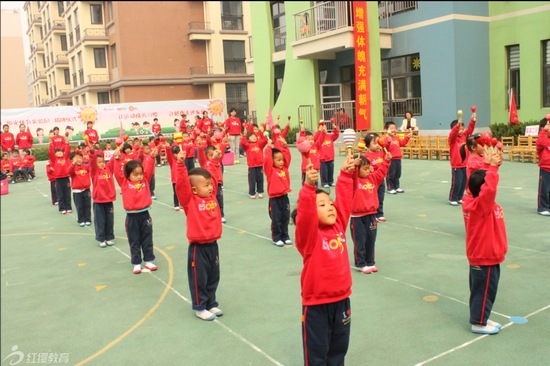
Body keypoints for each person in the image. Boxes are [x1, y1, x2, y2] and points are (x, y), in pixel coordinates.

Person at [292, 155, 356, 365]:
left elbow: (345, 202)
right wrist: (309, 189)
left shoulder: (338, 226)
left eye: (330, 203)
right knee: (317, 355)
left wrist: (346, 174)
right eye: (322, 205)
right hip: (317, 306)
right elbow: (305, 217)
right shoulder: (309, 238)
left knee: (338, 351)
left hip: (341, 301)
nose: (330, 207)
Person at [175, 150, 224, 321]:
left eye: (210, 184)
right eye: (206, 185)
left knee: (213, 276)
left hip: (213, 245)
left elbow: (216, 178)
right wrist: (181, 165)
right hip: (198, 248)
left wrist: (216, 161)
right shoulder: (191, 201)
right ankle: (200, 306)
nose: (211, 187)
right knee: (199, 278)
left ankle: (211, 302)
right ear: (194, 190)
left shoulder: (213, 198)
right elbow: (182, 186)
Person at [462, 151, 507, 334]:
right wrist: (493, 169)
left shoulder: (472, 198)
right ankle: (478, 322)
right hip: (484, 255)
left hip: (490, 254)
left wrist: (487, 166)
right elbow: (488, 189)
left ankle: (483, 317)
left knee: (487, 289)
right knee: (483, 291)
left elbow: (476, 181)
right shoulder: (481, 205)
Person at [112, 146, 157, 274]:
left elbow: (148, 169)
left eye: (140, 174)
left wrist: (152, 157)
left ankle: (149, 260)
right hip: (131, 217)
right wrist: (117, 160)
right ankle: (136, 263)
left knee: (147, 239)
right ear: (128, 175)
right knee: (134, 240)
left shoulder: (145, 181)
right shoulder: (124, 183)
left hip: (145, 215)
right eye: (135, 174)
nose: (139, 177)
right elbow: (117, 173)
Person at [351, 152, 391, 274]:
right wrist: (353, 167)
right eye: (365, 169)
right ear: (357, 170)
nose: (369, 171)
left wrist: (387, 161)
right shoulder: (354, 181)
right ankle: (361, 263)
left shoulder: (372, 178)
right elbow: (350, 175)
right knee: (359, 240)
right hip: (357, 217)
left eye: (369, 168)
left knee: (371, 239)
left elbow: (381, 173)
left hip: (371, 215)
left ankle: (370, 262)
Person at [264, 136, 292, 246]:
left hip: (284, 197)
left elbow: (287, 157)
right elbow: (267, 160)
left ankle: (285, 236)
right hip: (274, 199)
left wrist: (285, 146)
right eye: (278, 160)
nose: (281, 162)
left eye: (282, 160)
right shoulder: (270, 170)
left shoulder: (284, 169)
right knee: (276, 219)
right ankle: (276, 237)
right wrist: (268, 147)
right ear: (273, 160)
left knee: (285, 217)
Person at [89, 149, 116, 248]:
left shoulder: (108, 169)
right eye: (99, 162)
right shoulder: (95, 172)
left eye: (103, 162)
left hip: (109, 200)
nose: (101, 164)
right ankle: (101, 239)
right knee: (100, 221)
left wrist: (117, 151)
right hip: (99, 201)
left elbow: (113, 160)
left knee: (109, 220)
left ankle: (109, 237)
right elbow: (92, 163)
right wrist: (92, 154)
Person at [448, 111, 476, 205]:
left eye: (462, 129)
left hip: (465, 164)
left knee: (464, 182)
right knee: (456, 182)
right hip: (456, 165)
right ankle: (452, 198)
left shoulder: (465, 136)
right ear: (454, 129)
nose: (461, 131)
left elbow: (470, 130)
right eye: (459, 129)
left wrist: (473, 120)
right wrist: (457, 126)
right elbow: (453, 133)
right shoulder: (452, 139)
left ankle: (459, 197)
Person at [198, 139, 226, 223]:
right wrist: (200, 147)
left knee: (219, 200)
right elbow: (201, 157)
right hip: (208, 185)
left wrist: (223, 145)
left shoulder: (218, 161)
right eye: (210, 155)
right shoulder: (204, 163)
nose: (212, 157)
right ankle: (210, 214)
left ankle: (221, 215)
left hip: (218, 184)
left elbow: (221, 153)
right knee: (210, 201)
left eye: (213, 154)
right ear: (206, 155)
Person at [381, 121, 411, 194]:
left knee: (397, 174)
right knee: (391, 174)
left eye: (394, 128)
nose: (393, 129)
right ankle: (390, 188)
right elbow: (384, 148)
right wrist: (388, 142)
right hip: (391, 159)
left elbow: (402, 143)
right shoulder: (385, 138)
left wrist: (407, 137)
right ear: (386, 130)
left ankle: (396, 187)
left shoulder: (396, 137)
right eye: (391, 128)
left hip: (398, 159)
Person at [363, 133, 387, 221]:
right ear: (368, 145)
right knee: (372, 196)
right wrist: (368, 169)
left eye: (378, 143)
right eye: (375, 143)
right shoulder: (366, 156)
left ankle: (379, 213)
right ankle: (372, 214)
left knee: (380, 197)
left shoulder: (382, 153)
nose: (377, 145)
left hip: (381, 179)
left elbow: (386, 163)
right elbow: (363, 168)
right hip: (371, 180)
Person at [240, 128, 268, 199]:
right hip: (252, 166)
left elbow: (265, 140)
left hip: (260, 165)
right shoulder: (247, 146)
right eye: (251, 136)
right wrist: (244, 135)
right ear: (248, 139)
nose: (254, 137)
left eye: (255, 136)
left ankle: (260, 191)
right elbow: (243, 143)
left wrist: (261, 132)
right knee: (252, 180)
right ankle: (252, 193)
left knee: (260, 179)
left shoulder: (259, 144)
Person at [68, 150, 92, 227]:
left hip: (86, 190)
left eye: (80, 158)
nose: (78, 160)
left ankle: (88, 219)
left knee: (87, 205)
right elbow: (68, 171)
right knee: (79, 206)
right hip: (77, 191)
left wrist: (90, 156)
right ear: (72, 160)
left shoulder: (85, 167)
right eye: (76, 158)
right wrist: (73, 163)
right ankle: (81, 220)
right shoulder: (73, 168)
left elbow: (92, 165)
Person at [48, 143, 72, 214]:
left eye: (61, 151)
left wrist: (67, 144)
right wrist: (51, 145)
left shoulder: (65, 158)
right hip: (58, 179)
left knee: (67, 194)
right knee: (60, 195)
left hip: (66, 178)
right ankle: (62, 208)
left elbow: (67, 151)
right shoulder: (54, 159)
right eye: (58, 152)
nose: (60, 153)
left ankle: (68, 207)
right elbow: (51, 153)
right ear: (55, 154)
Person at [314, 121, 339, 187]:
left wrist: (335, 127)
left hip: (330, 157)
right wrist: (319, 131)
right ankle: (324, 182)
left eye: (324, 126)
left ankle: (331, 181)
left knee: (331, 170)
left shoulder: (330, 136)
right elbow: (315, 139)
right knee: (324, 172)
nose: (324, 128)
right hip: (323, 159)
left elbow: (336, 135)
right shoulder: (319, 137)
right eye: (322, 126)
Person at [536, 117, 550, 216]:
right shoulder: (542, 141)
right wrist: (545, 131)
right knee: (544, 189)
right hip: (545, 168)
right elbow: (541, 143)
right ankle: (543, 207)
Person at [165, 145, 183, 211]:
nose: (177, 155)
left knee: (182, 192)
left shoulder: (182, 160)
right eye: (175, 153)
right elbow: (169, 156)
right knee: (175, 192)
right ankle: (176, 204)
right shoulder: (172, 161)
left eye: (178, 153)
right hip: (175, 180)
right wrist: (167, 148)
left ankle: (182, 203)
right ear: (173, 154)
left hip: (181, 179)